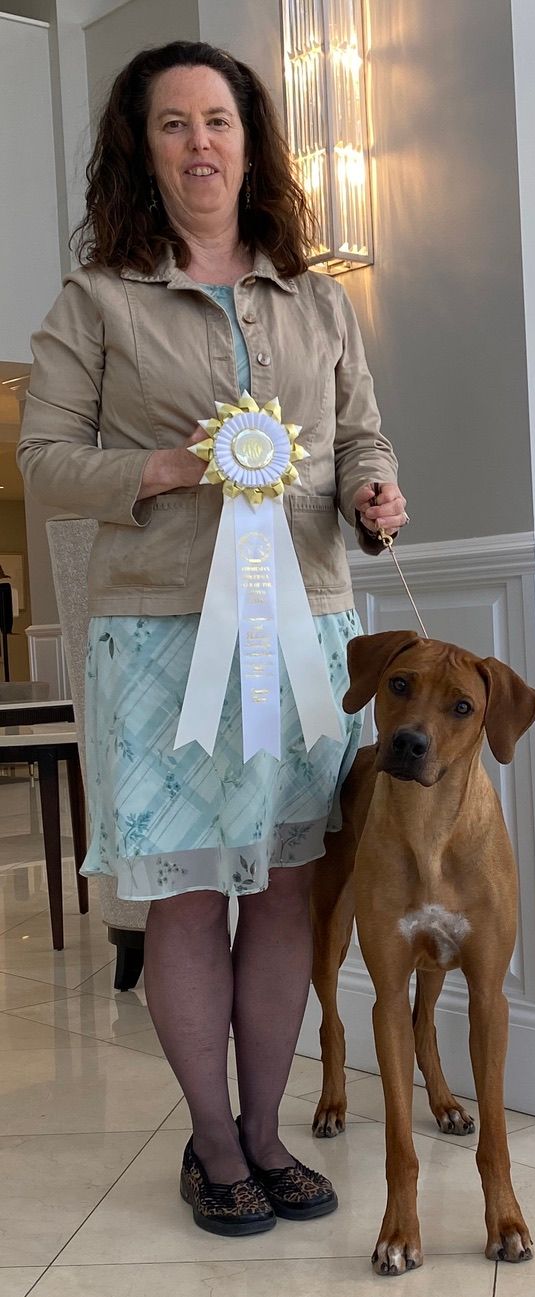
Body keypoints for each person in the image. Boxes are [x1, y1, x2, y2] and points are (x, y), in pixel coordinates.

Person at [18, 41, 407, 1237]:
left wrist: (373, 492)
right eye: (174, 123)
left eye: (219, 121)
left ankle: (270, 1132)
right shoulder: (96, 301)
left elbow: (360, 436)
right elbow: (44, 462)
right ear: (142, 149)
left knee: (287, 887)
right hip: (159, 642)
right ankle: (215, 1141)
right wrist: (167, 468)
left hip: (306, 635)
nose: (200, 143)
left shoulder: (319, 298)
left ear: (251, 142)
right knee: (188, 895)